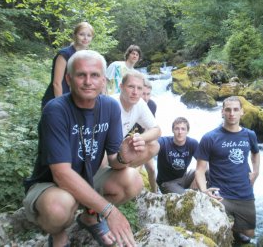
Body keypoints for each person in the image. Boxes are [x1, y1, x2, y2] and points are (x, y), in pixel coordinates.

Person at [23, 50, 145, 247]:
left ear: (104, 80)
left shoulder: (110, 107)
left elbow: (113, 160)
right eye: (81, 75)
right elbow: (61, 175)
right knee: (58, 207)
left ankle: (90, 217)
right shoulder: (56, 110)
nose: (88, 81)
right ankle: (59, 233)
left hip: (88, 176)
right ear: (69, 79)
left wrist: (123, 157)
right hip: (51, 185)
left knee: (132, 180)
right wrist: (109, 210)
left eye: (95, 75)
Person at [195, 96, 261, 244]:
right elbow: (199, 170)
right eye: (228, 110)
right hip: (220, 194)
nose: (232, 113)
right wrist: (205, 191)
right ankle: (229, 228)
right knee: (215, 234)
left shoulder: (250, 135)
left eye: (236, 109)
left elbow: (255, 153)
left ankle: (234, 229)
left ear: (242, 112)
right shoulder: (210, 137)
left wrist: (256, 172)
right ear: (222, 112)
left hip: (244, 193)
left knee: (249, 234)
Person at [116, 71, 161, 182]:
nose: (135, 92)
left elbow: (157, 130)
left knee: (154, 146)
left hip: (122, 149)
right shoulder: (112, 103)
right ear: (121, 87)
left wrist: (138, 139)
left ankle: (121, 173)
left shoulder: (140, 103)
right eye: (131, 86)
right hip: (104, 152)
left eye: (139, 88)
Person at [41, 21, 94, 109]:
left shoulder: (89, 56)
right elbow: (56, 83)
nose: (85, 38)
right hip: (57, 100)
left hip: (76, 101)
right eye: (82, 34)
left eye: (89, 35)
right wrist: (61, 106)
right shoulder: (64, 54)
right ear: (74, 35)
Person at [156, 117, 199, 194]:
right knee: (185, 199)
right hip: (167, 183)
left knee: (207, 172)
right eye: (177, 129)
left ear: (187, 131)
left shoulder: (192, 143)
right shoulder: (163, 142)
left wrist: (196, 179)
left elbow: (204, 163)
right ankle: (188, 193)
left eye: (183, 129)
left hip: (184, 178)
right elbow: (153, 146)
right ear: (172, 130)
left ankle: (209, 195)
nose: (180, 132)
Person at [133, 78, 158, 192]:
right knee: (135, 171)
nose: (146, 98)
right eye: (143, 94)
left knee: (152, 169)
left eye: (148, 94)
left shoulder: (152, 105)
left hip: (144, 138)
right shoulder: (133, 104)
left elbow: (151, 128)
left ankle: (155, 193)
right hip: (130, 139)